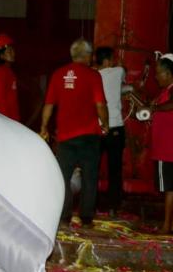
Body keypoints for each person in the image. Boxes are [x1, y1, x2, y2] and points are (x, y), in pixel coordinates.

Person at [41, 38, 109, 229]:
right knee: (89, 177)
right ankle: (86, 218)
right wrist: (105, 124)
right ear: (88, 56)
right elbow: (100, 105)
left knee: (63, 177)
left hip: (65, 137)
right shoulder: (94, 76)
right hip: (89, 136)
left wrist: (44, 127)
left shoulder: (58, 74)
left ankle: (64, 216)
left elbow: (49, 104)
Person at [94, 47, 127, 216]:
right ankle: (113, 208)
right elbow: (123, 75)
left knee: (93, 169)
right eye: (112, 59)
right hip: (115, 127)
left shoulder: (92, 75)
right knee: (115, 170)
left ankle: (91, 206)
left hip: (97, 128)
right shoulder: (119, 71)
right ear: (107, 61)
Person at [148, 55, 173, 233]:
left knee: (169, 189)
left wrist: (154, 108)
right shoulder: (165, 91)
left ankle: (166, 225)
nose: (156, 77)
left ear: (169, 73)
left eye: (159, 73)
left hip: (167, 149)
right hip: (165, 147)